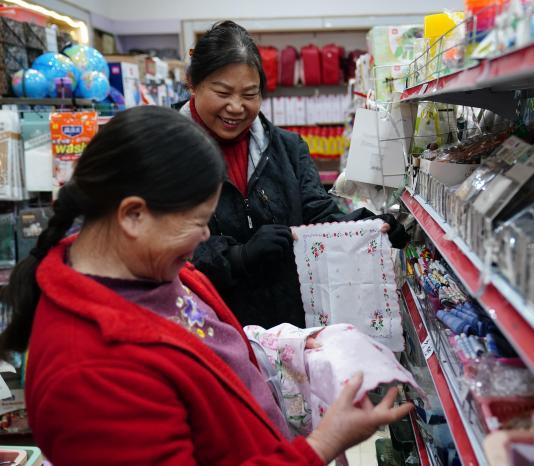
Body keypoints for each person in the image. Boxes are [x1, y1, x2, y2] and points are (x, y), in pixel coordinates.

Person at [0, 106, 412, 465]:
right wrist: (322, 445)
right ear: (133, 216)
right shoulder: (88, 375)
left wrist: (283, 347)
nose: (205, 237)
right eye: (197, 222)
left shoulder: (150, 270)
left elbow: (203, 340)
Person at [181, 20, 409, 329]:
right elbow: (157, 242)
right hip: (211, 327)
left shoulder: (288, 149)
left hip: (290, 330)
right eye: (222, 92)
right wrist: (236, 256)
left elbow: (317, 212)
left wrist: (364, 227)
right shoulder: (167, 152)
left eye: (250, 94)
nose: (236, 107)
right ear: (192, 83)